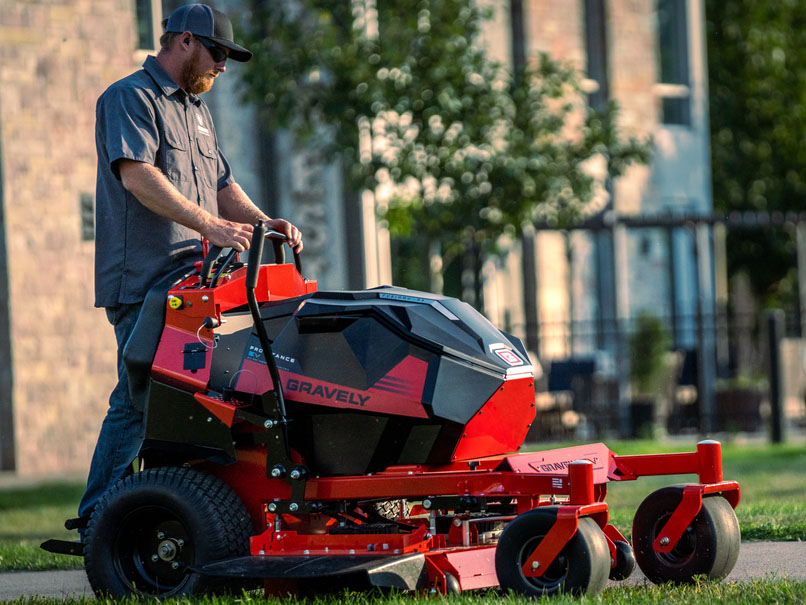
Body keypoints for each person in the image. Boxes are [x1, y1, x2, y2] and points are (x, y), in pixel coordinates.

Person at [71, 4, 303, 530]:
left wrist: (264, 223)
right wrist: (212, 227)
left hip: (197, 284)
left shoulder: (197, 110)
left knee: (195, 398)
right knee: (141, 399)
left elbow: (222, 186)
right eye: (217, 52)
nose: (222, 65)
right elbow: (137, 176)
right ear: (184, 41)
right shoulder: (130, 97)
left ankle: (164, 509)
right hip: (145, 281)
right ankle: (99, 520)